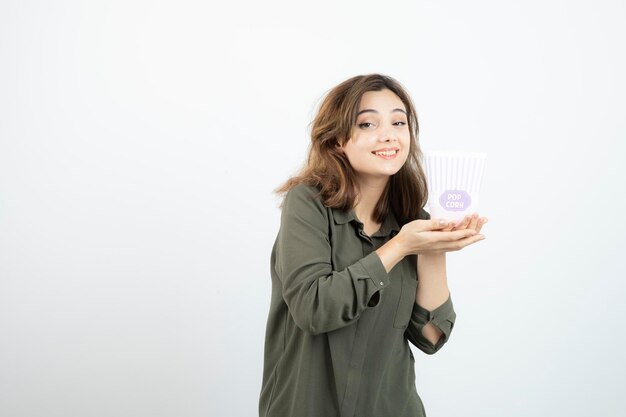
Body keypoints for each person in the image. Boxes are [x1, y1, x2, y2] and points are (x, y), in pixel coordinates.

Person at [258, 73, 487, 417]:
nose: (389, 135)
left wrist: (435, 247)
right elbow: (313, 308)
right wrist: (399, 247)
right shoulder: (307, 204)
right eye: (367, 124)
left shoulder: (413, 218)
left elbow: (431, 336)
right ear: (336, 140)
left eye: (399, 122)